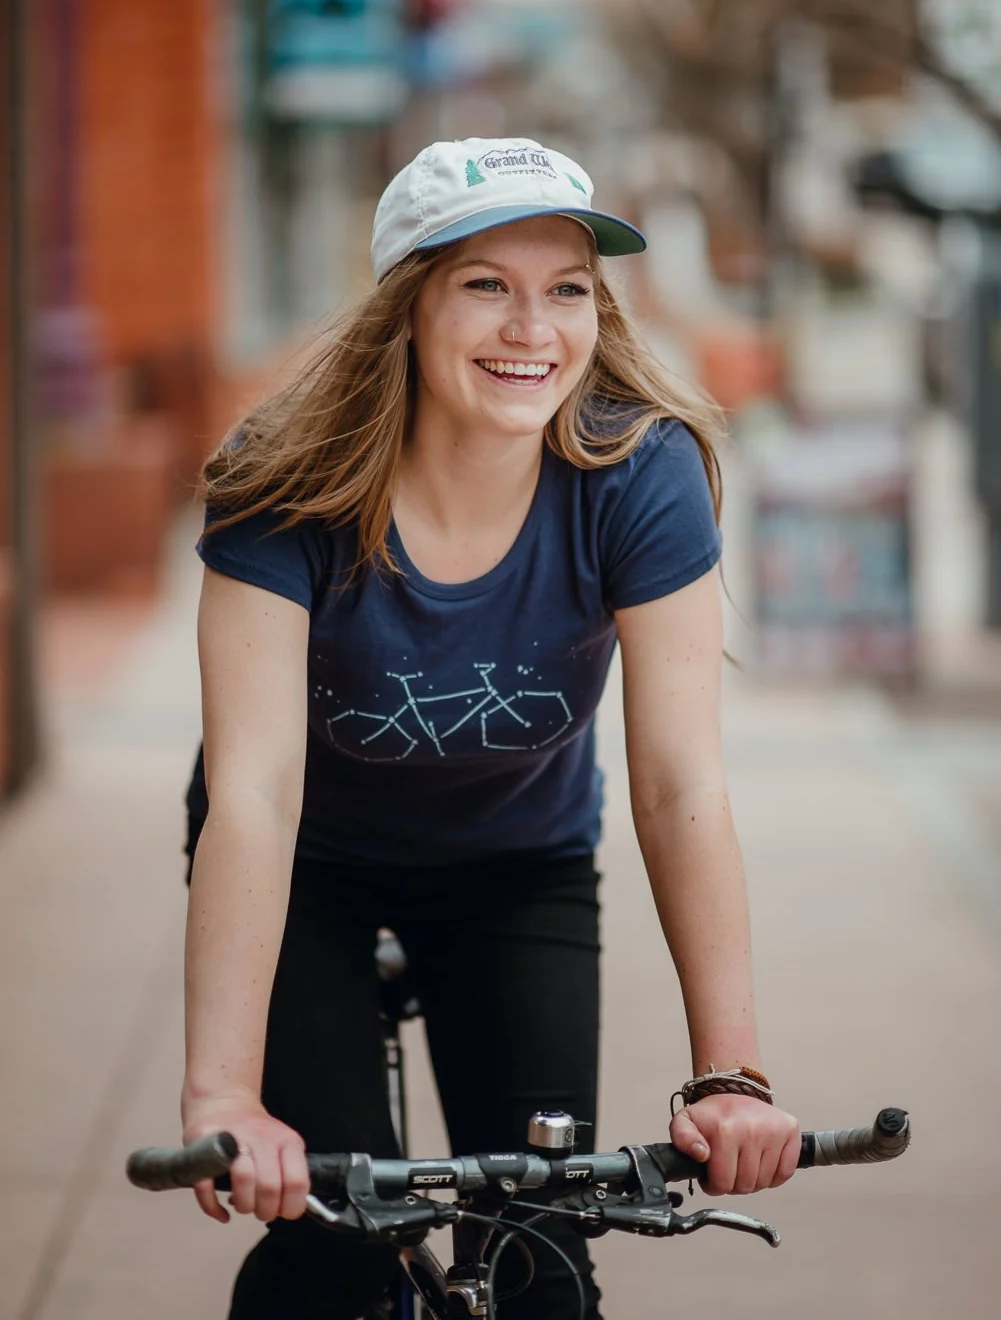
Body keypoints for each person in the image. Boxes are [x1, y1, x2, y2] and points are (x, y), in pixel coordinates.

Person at [181, 136, 800, 1320]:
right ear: (406, 308)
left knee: (542, 1257)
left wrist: (729, 1074)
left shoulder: (636, 472)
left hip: (517, 868)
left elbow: (678, 783)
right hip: (305, 870)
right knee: (335, 1238)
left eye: (566, 288)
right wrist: (222, 1094)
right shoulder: (282, 481)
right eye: (485, 287)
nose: (534, 329)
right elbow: (254, 791)